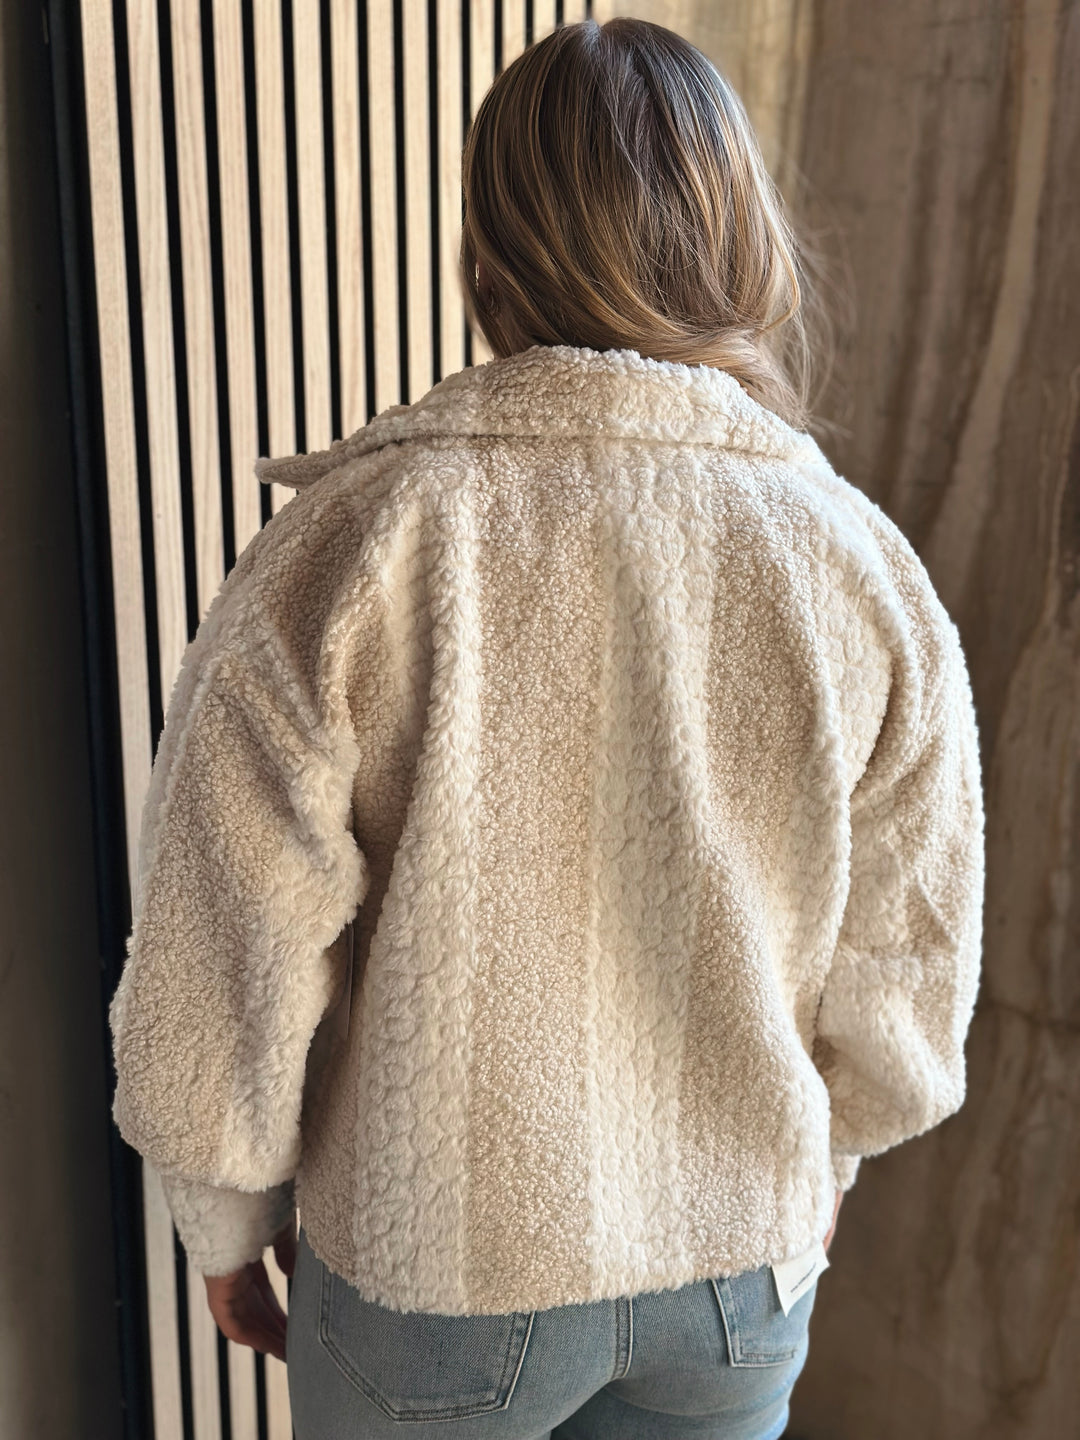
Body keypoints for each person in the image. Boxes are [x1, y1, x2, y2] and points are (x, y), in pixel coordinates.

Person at [107, 17, 985, 1440]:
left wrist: (222, 1216)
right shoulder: (859, 566)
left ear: (489, 252)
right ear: (744, 240)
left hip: (440, 1266)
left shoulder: (361, 541)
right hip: (738, 1276)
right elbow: (911, 971)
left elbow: (223, 948)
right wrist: (820, 1172)